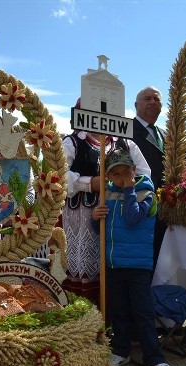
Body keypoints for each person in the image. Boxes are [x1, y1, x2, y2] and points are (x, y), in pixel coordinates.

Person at [92, 148, 175, 366]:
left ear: (134, 170)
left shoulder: (146, 191)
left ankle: (156, 359)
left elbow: (132, 219)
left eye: (125, 172)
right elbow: (100, 229)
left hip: (138, 265)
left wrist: (129, 188)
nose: (121, 178)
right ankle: (121, 351)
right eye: (115, 174)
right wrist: (94, 218)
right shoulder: (106, 193)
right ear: (108, 176)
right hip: (113, 263)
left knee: (143, 313)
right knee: (119, 312)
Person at [62, 98, 150, 304]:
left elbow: (145, 173)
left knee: (115, 264)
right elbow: (56, 175)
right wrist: (89, 183)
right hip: (82, 217)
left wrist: (123, 184)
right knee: (85, 265)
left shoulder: (125, 143)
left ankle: (113, 321)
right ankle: (86, 322)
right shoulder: (72, 142)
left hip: (119, 217)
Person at [131, 86, 167, 268]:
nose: (153, 102)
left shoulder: (165, 134)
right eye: (147, 99)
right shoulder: (127, 129)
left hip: (164, 207)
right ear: (136, 105)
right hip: (138, 204)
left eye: (156, 99)